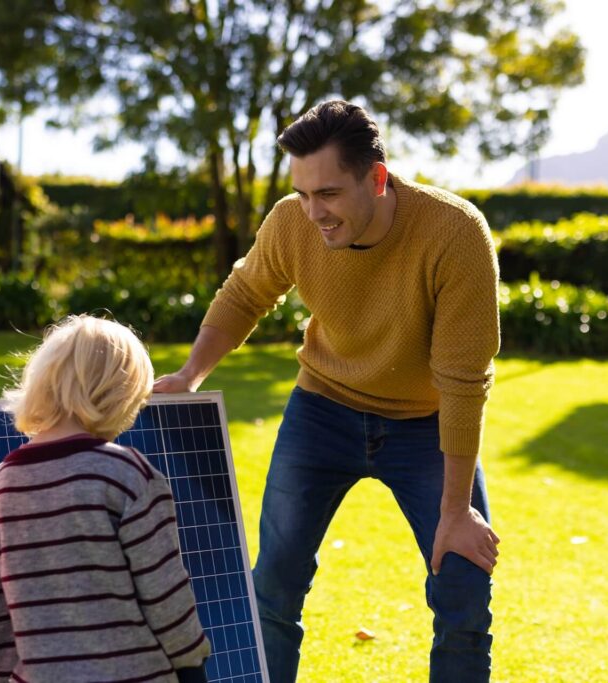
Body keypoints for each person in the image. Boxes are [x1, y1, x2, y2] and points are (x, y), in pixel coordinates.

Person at [154, 100, 501, 682]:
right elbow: (245, 294)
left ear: (377, 177)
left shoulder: (455, 233)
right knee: (274, 586)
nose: (314, 211)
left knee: (464, 591)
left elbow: (464, 380)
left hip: (426, 425)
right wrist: (190, 374)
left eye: (330, 194)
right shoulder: (293, 221)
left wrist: (455, 510)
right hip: (324, 409)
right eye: (305, 193)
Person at [0, 314, 211, 682]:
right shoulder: (128, 475)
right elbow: (165, 596)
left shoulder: (0, 487)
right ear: (119, 393)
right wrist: (192, 662)